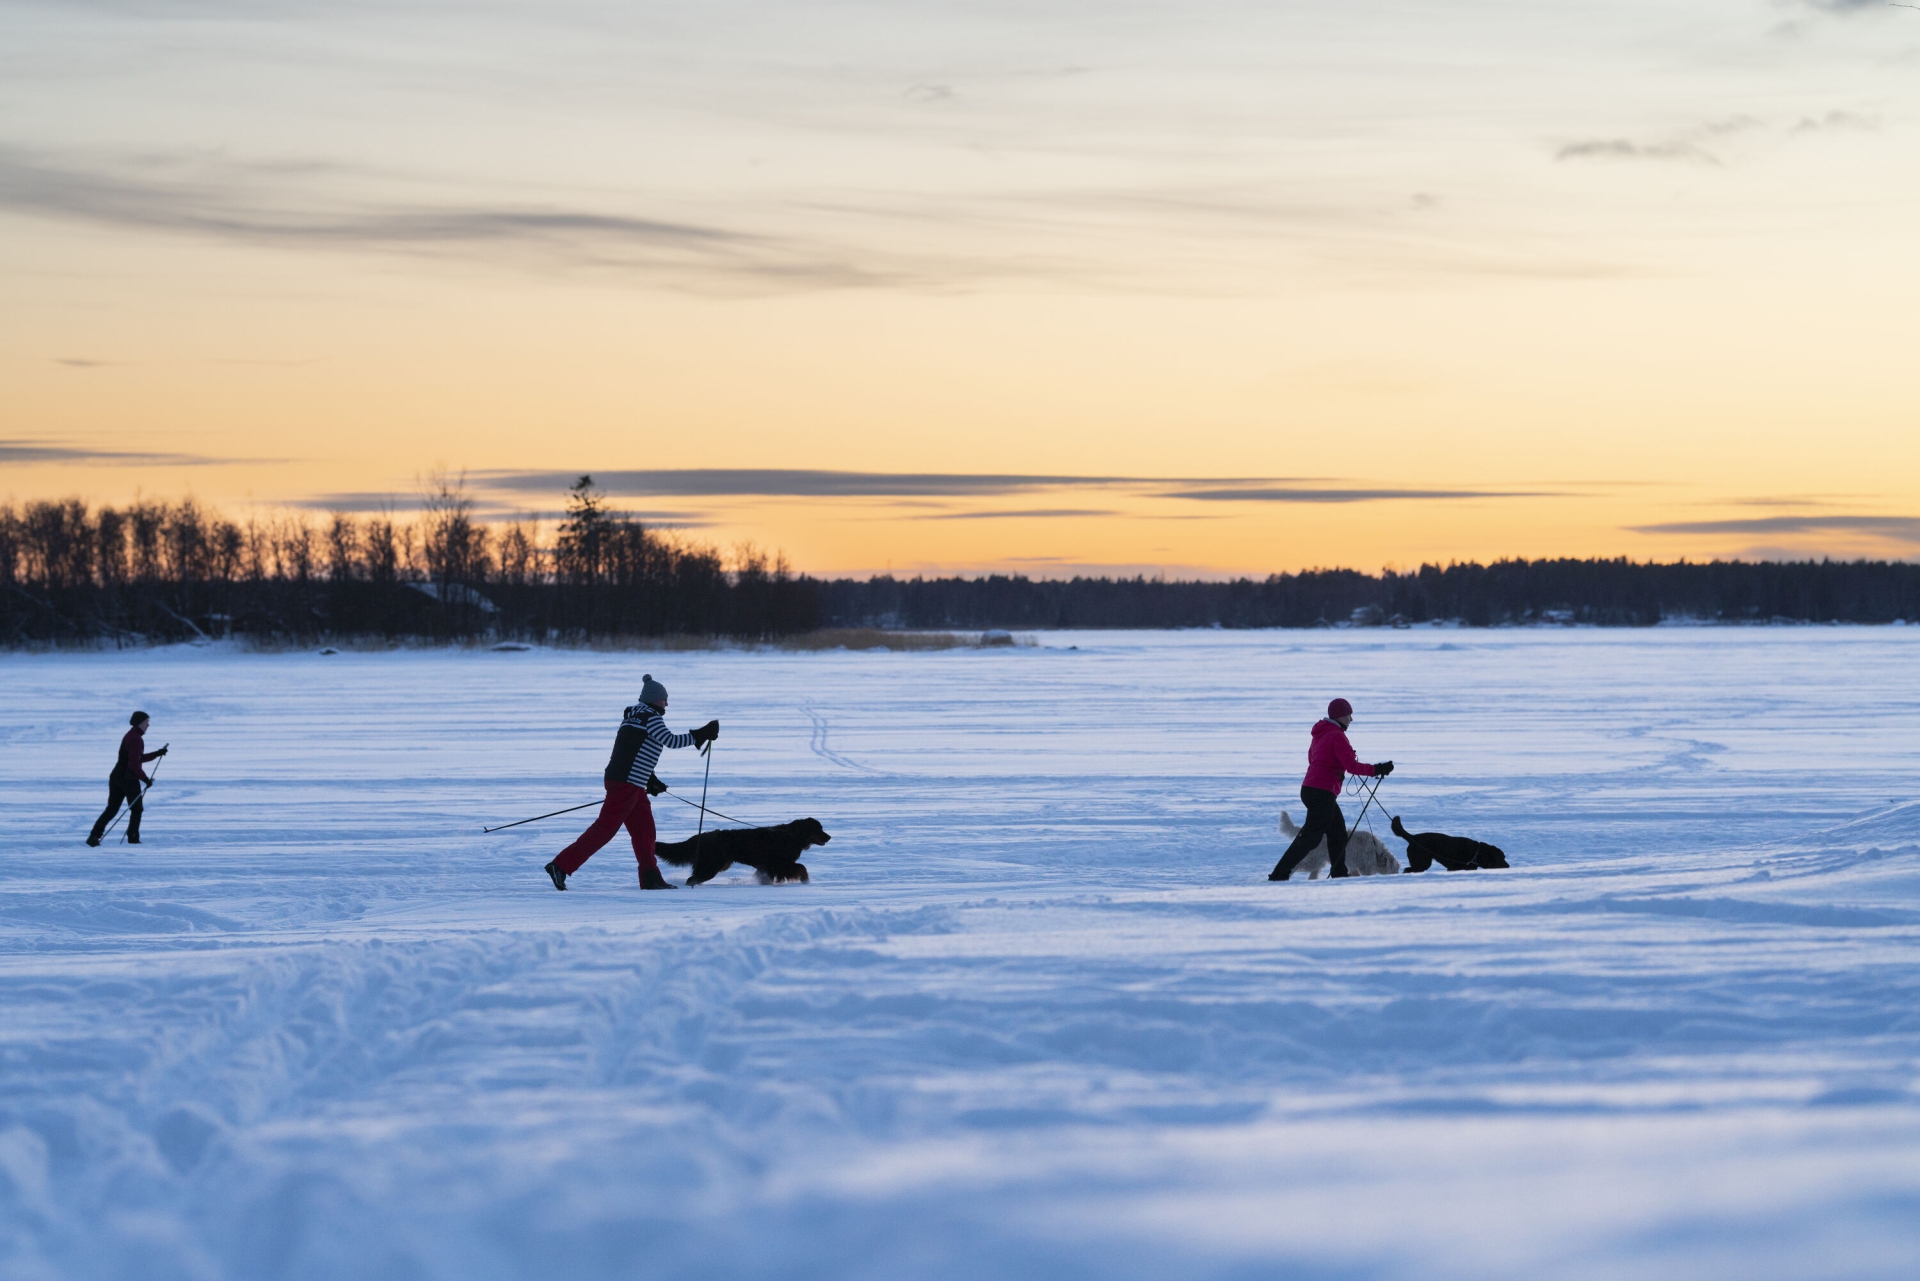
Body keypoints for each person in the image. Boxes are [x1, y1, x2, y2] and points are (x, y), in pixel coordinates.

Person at [544, 674, 718, 891]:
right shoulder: (650, 717)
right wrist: (700, 734)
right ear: (655, 699)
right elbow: (671, 740)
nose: (667, 704)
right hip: (626, 784)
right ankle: (560, 865)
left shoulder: (634, 716)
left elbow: (634, 750)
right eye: (665, 699)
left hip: (629, 783)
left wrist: (649, 778)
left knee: (645, 832)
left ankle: (650, 878)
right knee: (604, 830)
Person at [1269, 697, 1393, 881]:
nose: (1351, 719)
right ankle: (1280, 874)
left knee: (1338, 833)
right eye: (1349, 715)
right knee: (1310, 838)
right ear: (1341, 715)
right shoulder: (1337, 735)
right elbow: (1351, 766)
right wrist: (1377, 769)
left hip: (1311, 789)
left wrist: (1335, 772)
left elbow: (1314, 760)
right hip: (1321, 792)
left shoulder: (1321, 734)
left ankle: (1339, 873)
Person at [87, 711, 167, 846]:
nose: (148, 725)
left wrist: (156, 754)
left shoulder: (131, 735)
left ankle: (94, 836)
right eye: (147, 722)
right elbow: (134, 764)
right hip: (128, 779)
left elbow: (136, 758)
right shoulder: (136, 739)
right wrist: (145, 779)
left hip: (116, 777)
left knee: (112, 809)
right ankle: (133, 838)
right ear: (140, 723)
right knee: (137, 809)